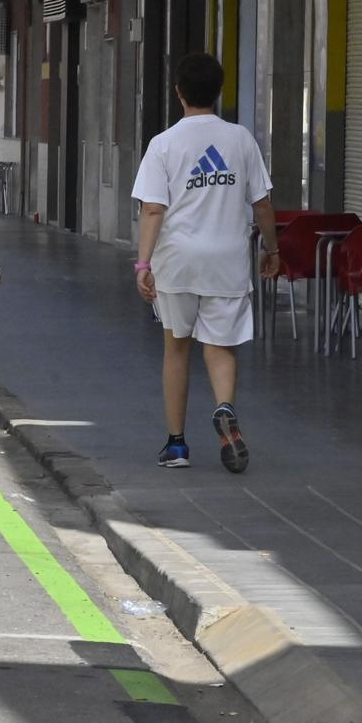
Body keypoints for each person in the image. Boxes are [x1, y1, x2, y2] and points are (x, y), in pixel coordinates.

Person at [131, 51, 279, 473]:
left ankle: (177, 445)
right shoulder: (240, 139)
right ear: (219, 91)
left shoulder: (163, 144)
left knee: (177, 348)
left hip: (177, 261)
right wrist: (273, 249)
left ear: (179, 93)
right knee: (221, 345)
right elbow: (263, 204)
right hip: (228, 260)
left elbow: (154, 210)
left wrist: (143, 265)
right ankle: (224, 407)